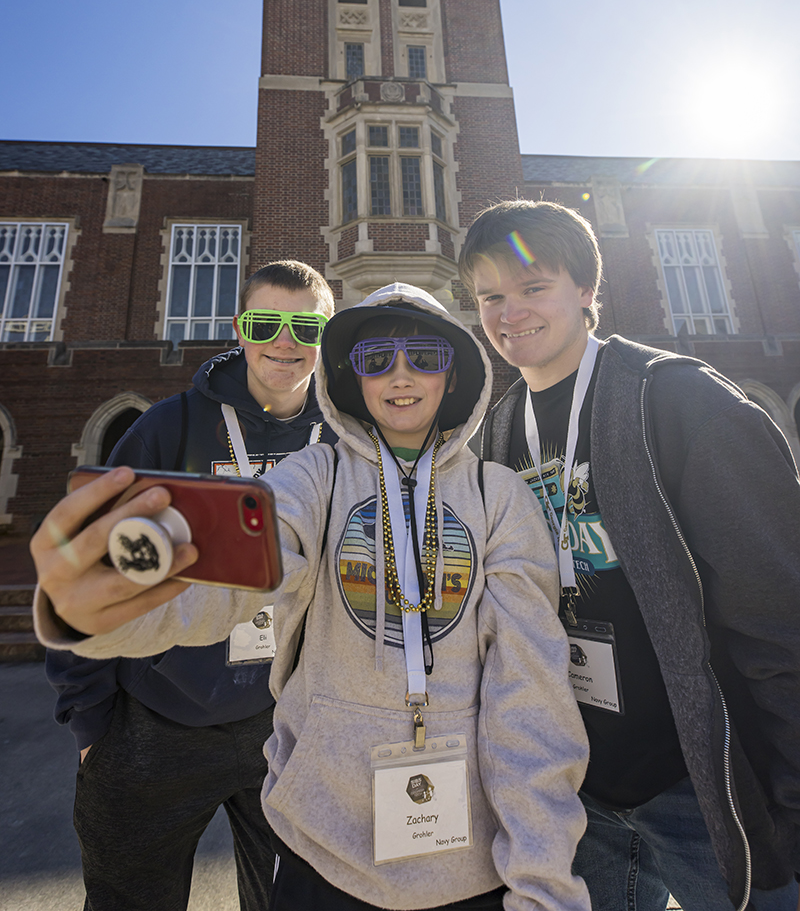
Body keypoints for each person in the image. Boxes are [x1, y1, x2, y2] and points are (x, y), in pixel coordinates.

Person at [33, 282, 591, 911]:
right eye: (377, 358)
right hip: (324, 849)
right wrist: (114, 603)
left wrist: (543, 882)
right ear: (352, 377)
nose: (400, 377)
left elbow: (532, 700)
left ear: (454, 373)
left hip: (473, 860)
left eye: (425, 358)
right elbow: (242, 562)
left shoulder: (499, 498)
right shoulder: (313, 477)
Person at [458, 199, 800, 911]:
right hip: (577, 794)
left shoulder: (679, 402)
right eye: (490, 297)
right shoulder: (494, 438)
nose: (509, 313)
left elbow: (779, 616)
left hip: (707, 793)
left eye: (532, 288)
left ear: (586, 290)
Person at [45, 259, 337, 911]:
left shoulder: (344, 441)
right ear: (240, 329)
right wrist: (90, 720)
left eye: (306, 327)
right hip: (159, 724)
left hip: (294, 727)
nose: (285, 341)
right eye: (266, 323)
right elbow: (82, 565)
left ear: (327, 334)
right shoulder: (168, 428)